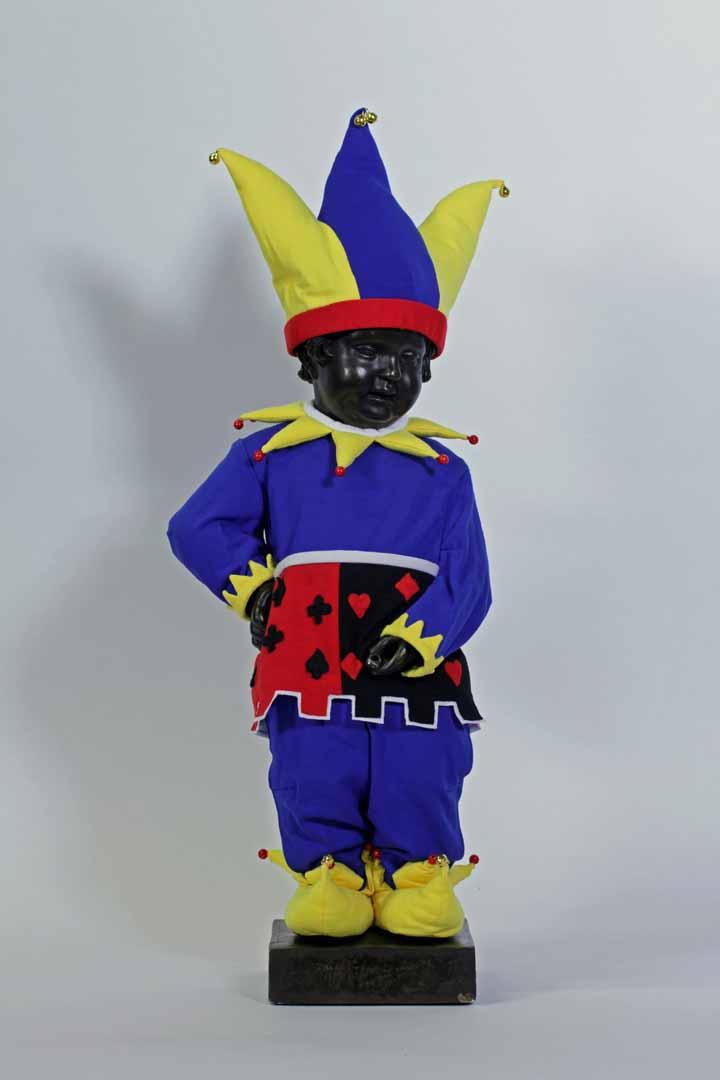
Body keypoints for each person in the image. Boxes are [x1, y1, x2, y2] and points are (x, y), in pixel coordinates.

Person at [167, 108, 508, 937]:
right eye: (363, 351)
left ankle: (418, 878)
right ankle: (329, 877)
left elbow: (469, 580)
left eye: (406, 358)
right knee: (314, 767)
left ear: (428, 368)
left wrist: (425, 636)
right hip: (306, 653)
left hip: (416, 662)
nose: (386, 374)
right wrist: (256, 591)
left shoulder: (444, 472)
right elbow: (198, 527)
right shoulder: (268, 456)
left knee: (419, 770)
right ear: (312, 357)